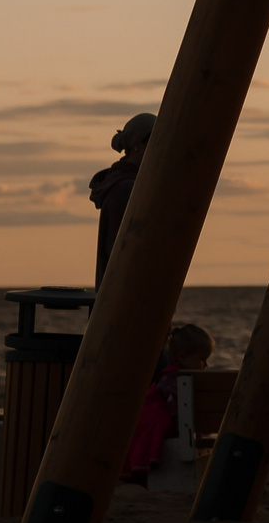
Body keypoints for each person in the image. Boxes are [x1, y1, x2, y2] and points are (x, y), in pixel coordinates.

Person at [122, 321, 214, 484]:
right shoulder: (173, 381)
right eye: (202, 360)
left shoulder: (169, 377)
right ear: (183, 356)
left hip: (147, 424)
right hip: (155, 426)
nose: (206, 365)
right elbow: (179, 413)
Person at [88, 112, 156, 286]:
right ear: (138, 146)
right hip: (125, 295)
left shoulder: (129, 184)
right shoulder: (125, 189)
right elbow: (121, 251)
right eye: (155, 140)